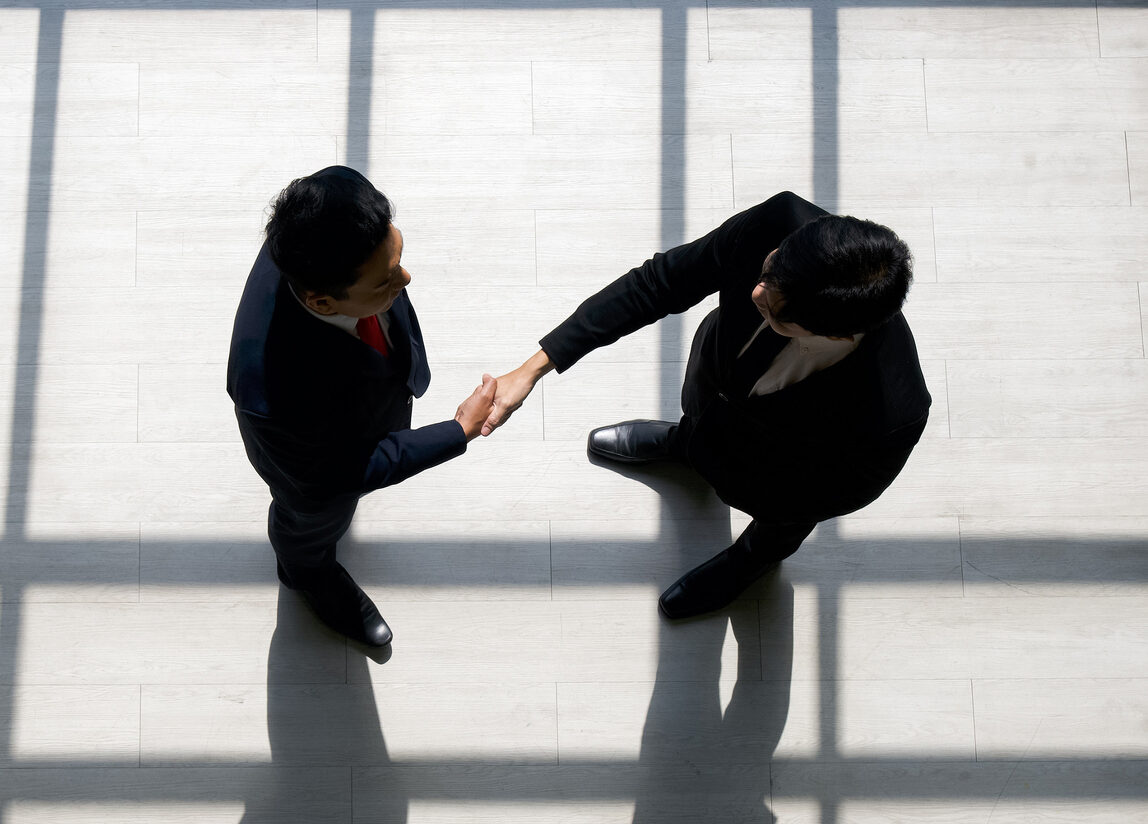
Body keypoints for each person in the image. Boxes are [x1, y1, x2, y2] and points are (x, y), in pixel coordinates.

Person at [483, 191, 931, 617]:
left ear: (833, 335)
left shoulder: (894, 408)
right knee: (695, 425)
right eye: (765, 275)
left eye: (773, 313)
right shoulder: (781, 222)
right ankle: (685, 445)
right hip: (713, 380)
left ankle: (749, 562)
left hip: (777, 473)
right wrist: (536, 367)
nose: (755, 295)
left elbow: (834, 495)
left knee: (779, 529)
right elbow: (660, 281)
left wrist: (750, 491)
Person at [227, 165, 496, 647]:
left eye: (398, 259)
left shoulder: (332, 223)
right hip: (314, 474)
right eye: (387, 281)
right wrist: (458, 431)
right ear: (324, 302)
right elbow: (338, 473)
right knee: (310, 522)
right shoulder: (273, 396)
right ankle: (305, 573)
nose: (407, 279)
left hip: (362, 400)